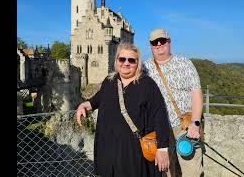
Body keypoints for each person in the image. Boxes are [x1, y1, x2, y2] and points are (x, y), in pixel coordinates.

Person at [76, 42, 171, 177]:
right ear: (116, 60)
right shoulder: (109, 81)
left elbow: (160, 116)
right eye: (122, 59)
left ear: (137, 63)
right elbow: (97, 99)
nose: (126, 63)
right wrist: (85, 105)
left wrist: (162, 148)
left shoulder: (147, 85)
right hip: (108, 151)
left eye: (131, 60)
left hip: (134, 155)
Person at [143, 29, 204, 177]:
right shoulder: (144, 68)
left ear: (169, 42)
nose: (158, 44)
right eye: (154, 42)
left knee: (192, 171)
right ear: (150, 45)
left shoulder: (185, 63)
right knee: (167, 171)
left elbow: (196, 93)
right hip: (159, 129)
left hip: (185, 126)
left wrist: (195, 123)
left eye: (162, 41)